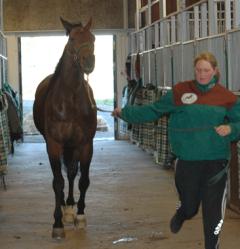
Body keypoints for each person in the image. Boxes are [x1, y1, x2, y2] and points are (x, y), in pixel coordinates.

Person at [112, 52, 240, 249]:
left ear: (215, 71)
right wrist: (126, 113)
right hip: (187, 160)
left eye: (206, 70)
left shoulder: (227, 97)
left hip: (216, 162)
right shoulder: (180, 91)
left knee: (213, 214)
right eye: (198, 70)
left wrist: (232, 129)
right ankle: (183, 213)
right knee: (189, 206)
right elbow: (154, 110)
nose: (202, 74)